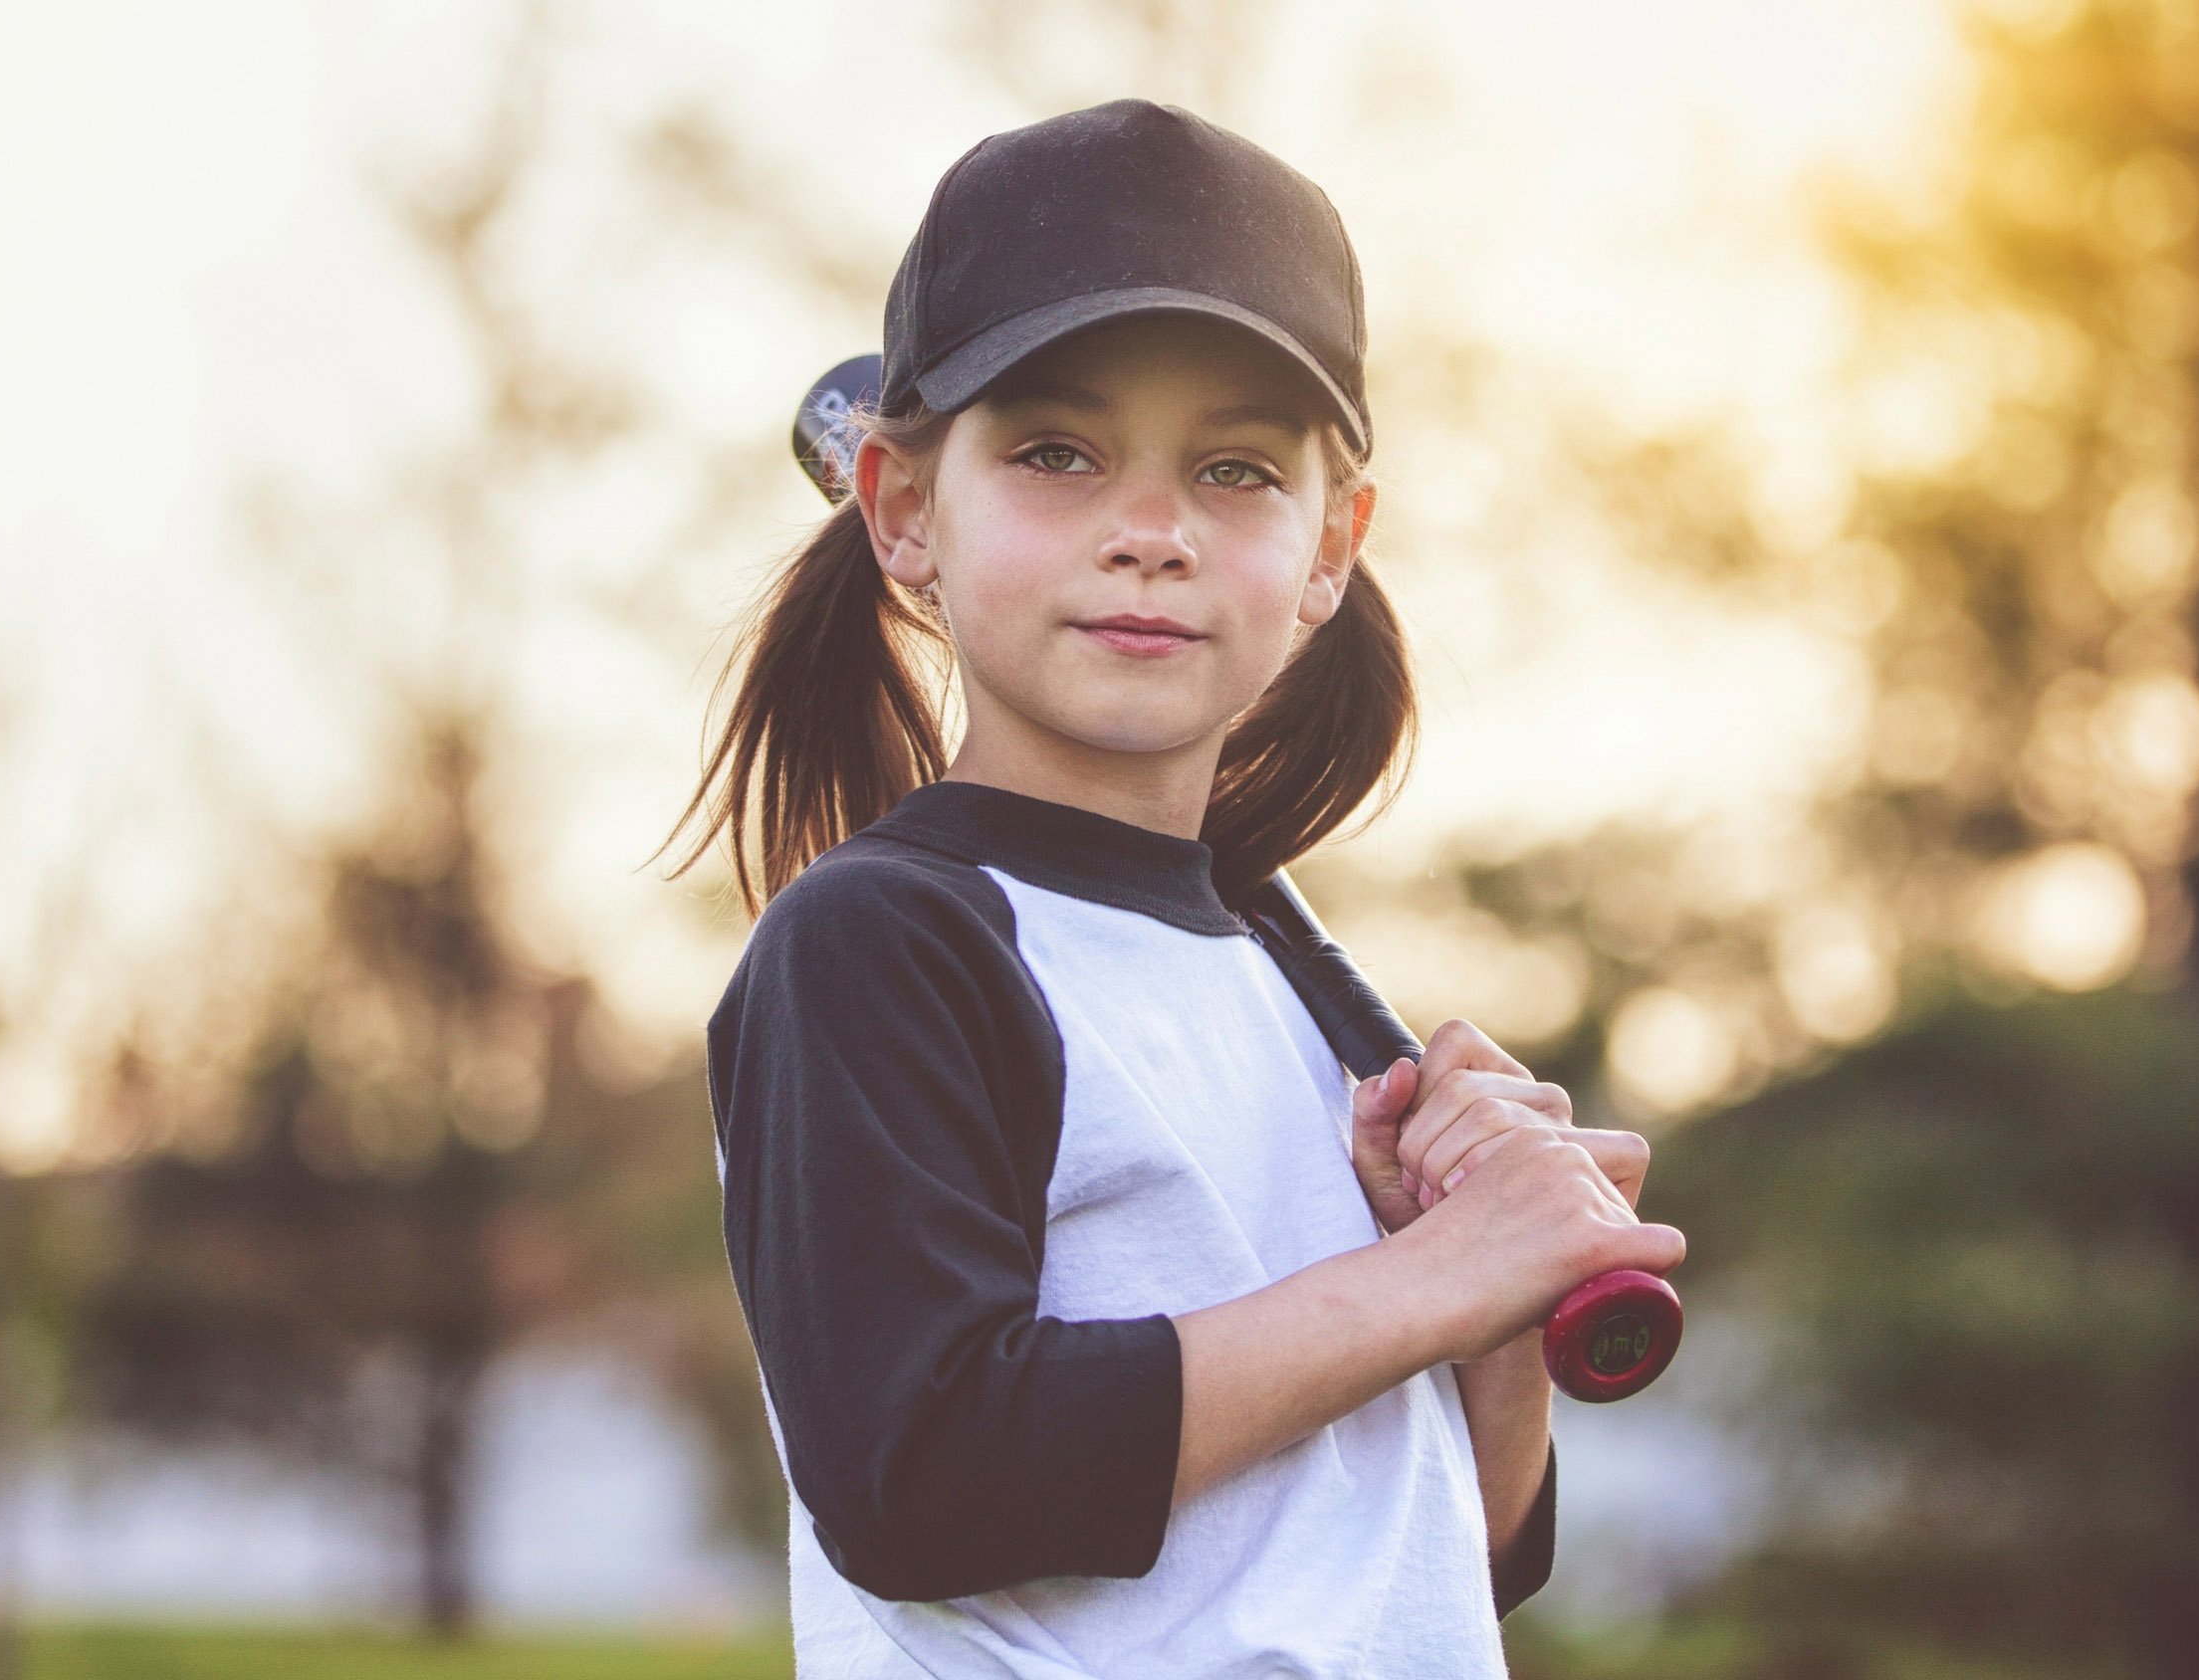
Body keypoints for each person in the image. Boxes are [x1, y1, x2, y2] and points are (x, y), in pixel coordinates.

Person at [664, 100, 1683, 1678]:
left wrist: (1497, 1317)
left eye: (1233, 470)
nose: (1150, 533)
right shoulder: (883, 947)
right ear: (902, 509)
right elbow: (922, 1481)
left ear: (1332, 546)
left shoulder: (1285, 998)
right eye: (1058, 453)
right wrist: (1421, 1284)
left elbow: (1444, 1557)